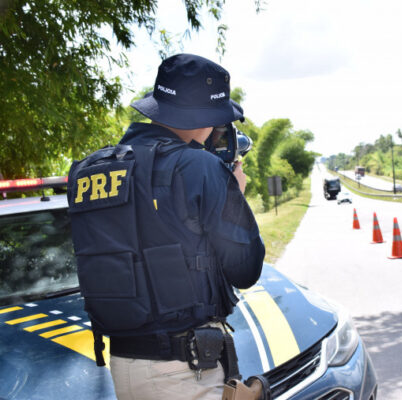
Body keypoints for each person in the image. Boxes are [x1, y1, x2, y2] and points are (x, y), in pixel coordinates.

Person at [67, 54, 265, 400]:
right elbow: (246, 269)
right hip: (182, 372)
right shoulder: (199, 167)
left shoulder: (92, 169)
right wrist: (235, 193)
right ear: (207, 118)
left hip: (124, 363)